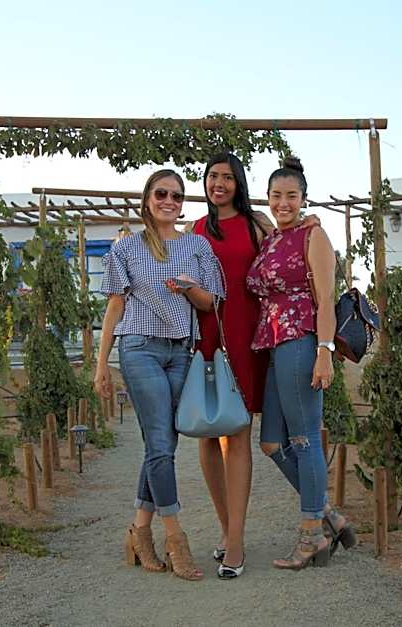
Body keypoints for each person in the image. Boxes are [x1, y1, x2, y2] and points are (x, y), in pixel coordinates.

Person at [95, 169, 225, 582]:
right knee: (160, 446)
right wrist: (101, 364)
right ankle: (176, 538)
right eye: (161, 193)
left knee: (162, 444)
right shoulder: (127, 248)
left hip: (180, 352)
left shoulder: (197, 246)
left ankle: (139, 531)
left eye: (176, 195)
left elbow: (210, 303)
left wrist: (188, 287)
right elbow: (115, 307)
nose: (169, 200)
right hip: (139, 349)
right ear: (147, 200)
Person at [246, 157, 357, 570]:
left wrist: (324, 351)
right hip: (274, 344)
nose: (284, 203)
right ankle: (328, 513)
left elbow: (326, 298)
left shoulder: (315, 236)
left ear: (303, 197)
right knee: (271, 442)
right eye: (276, 195)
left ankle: (312, 534)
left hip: (302, 340)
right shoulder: (273, 237)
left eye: (291, 196)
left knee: (305, 439)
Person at [190, 153, 271, 579]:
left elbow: (287, 250)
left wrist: (311, 225)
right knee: (206, 437)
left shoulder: (258, 224)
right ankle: (226, 529)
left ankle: (236, 541)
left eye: (226, 177)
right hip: (205, 336)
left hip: (246, 336)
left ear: (238, 183)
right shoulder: (196, 229)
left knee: (237, 435)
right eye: (211, 176)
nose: (218, 183)